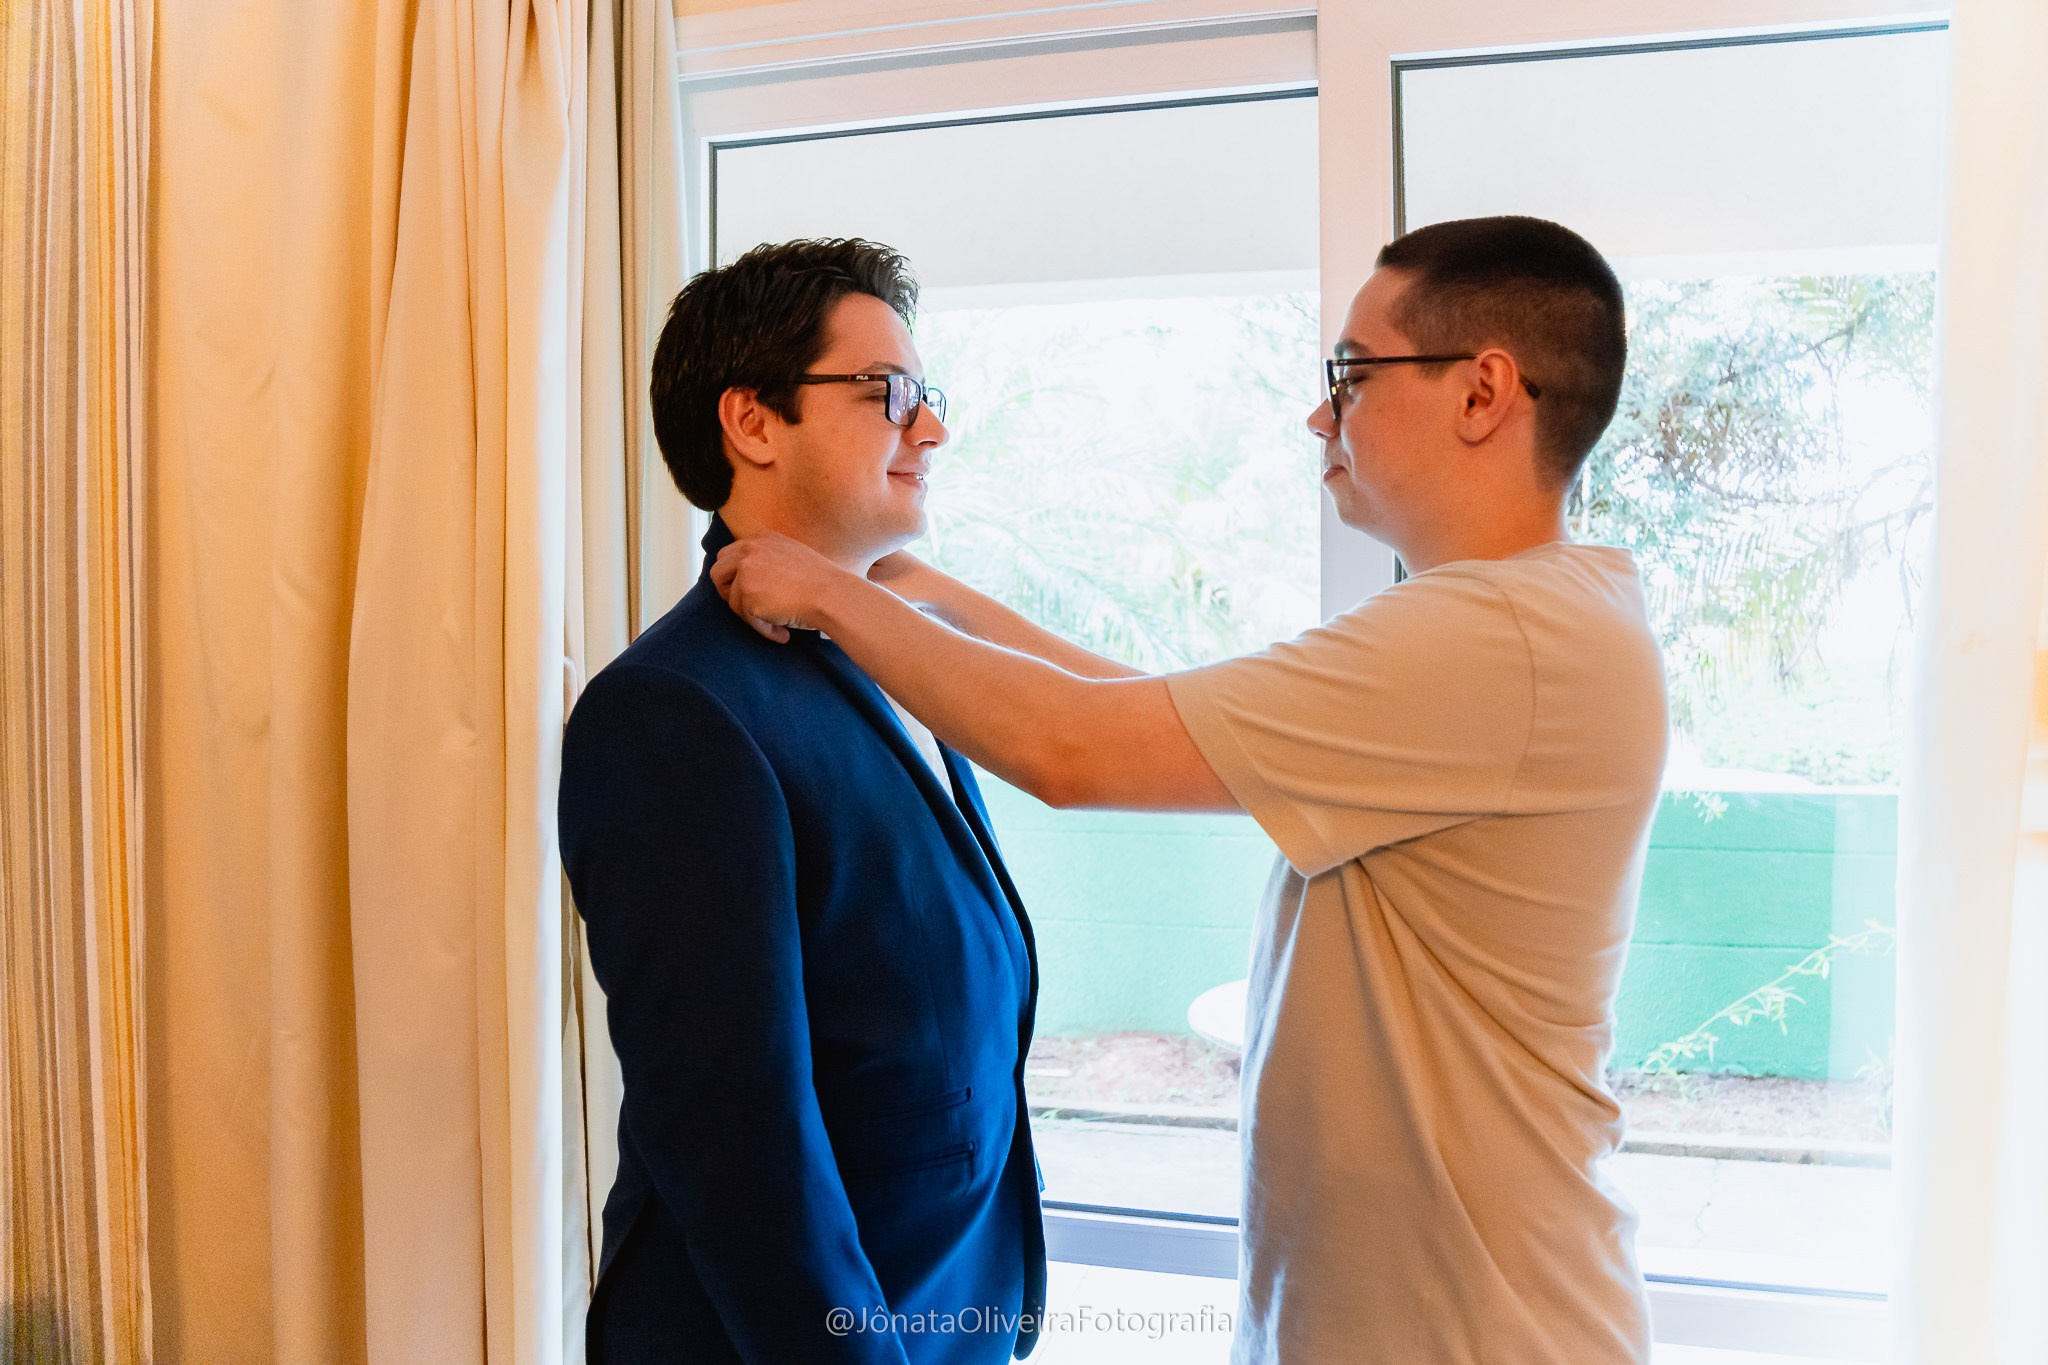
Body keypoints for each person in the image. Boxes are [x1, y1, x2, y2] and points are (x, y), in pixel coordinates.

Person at [714, 215, 1668, 1364]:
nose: (1322, 413)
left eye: (1352, 375)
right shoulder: (1524, 621)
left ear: (1481, 393)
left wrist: (826, 592)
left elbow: (1078, 751)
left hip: (1473, 1327)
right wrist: (935, 599)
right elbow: (1163, 707)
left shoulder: (1497, 636)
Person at [558, 238, 1046, 1364]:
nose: (929, 428)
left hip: (943, 1301)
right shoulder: (677, 711)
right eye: (890, 394)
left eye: (927, 396)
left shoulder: (896, 653)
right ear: (753, 423)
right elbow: (738, 1138)